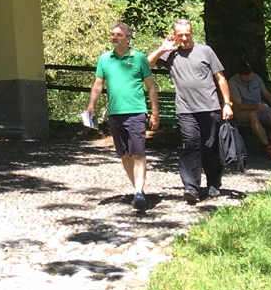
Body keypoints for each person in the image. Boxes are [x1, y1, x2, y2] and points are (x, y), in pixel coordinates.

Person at [149, 18, 234, 204]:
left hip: (210, 107)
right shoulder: (170, 54)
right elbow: (146, 66)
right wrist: (162, 48)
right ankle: (191, 188)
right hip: (185, 109)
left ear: (192, 32)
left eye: (188, 34)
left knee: (210, 146)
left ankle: (213, 183)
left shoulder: (205, 51)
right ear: (175, 36)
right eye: (180, 35)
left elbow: (220, 78)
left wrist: (227, 103)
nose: (185, 38)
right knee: (190, 145)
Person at [85, 22, 160, 212]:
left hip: (135, 112)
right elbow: (98, 84)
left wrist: (154, 111)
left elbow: (150, 86)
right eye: (112, 34)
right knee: (125, 155)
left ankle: (138, 192)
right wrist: (91, 105)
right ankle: (137, 189)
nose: (114, 37)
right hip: (115, 113)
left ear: (127, 38)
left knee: (138, 153)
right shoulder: (104, 59)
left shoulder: (139, 58)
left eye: (118, 34)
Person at [231, 59, 271, 158]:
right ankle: (267, 146)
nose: (248, 80)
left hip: (261, 108)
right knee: (253, 115)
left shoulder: (257, 78)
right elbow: (239, 104)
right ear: (239, 75)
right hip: (243, 111)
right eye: (245, 79)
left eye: (250, 77)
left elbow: (267, 95)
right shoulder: (233, 83)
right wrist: (255, 107)